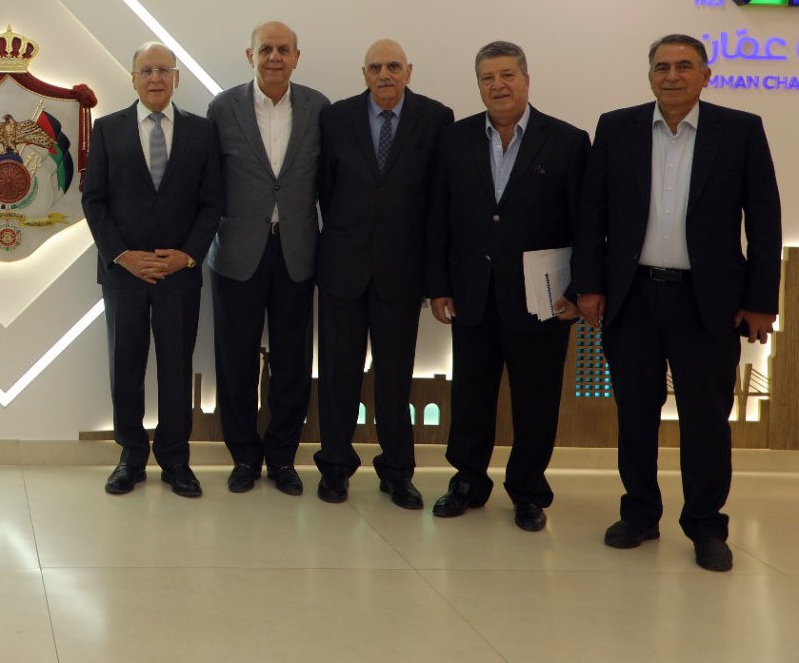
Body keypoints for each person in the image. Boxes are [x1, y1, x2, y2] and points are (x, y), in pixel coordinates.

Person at [574, 34, 780, 572]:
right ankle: (640, 513)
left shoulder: (740, 131)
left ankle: (706, 526)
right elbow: (592, 213)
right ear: (649, 76)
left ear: (705, 76)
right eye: (662, 66)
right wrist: (589, 285)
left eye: (684, 66)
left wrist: (762, 300)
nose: (672, 76)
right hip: (633, 297)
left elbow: (764, 219)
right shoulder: (616, 128)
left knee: (706, 420)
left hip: (707, 302)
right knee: (635, 413)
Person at [426, 41, 588, 532]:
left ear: (526, 79)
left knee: (536, 400)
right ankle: (467, 482)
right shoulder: (454, 140)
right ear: (478, 85)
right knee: (470, 395)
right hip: (472, 294)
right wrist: (438, 285)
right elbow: (438, 218)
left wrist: (580, 291)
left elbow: (585, 224)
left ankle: (529, 491)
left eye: (507, 75)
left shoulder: (567, 141)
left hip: (543, 299)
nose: (497, 85)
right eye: (487, 78)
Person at [314, 39, 452, 508]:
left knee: (396, 378)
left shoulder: (435, 118)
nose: (385, 74)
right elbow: (326, 190)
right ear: (364, 73)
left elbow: (437, 202)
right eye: (375, 67)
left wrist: (435, 279)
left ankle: (397, 471)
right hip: (343, 267)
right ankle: (335, 467)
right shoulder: (337, 117)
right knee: (338, 375)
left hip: (401, 270)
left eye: (393, 66)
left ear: (409, 70)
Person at [83, 42, 223, 497]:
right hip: (124, 273)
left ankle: (176, 459)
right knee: (125, 365)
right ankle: (130, 456)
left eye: (164, 70)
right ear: (133, 78)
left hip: (179, 273)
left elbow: (212, 203)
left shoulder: (202, 132)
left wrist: (188, 255)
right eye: (147, 71)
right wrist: (122, 255)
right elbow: (94, 201)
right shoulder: (107, 129)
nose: (156, 78)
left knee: (176, 367)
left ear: (177, 77)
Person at [206, 21, 328, 495]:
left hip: (296, 251)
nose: (274, 57)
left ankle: (282, 458)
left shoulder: (318, 107)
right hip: (237, 251)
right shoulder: (223, 108)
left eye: (283, 49)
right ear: (250, 56)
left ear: (297, 57)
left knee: (293, 362)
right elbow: (209, 182)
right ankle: (243, 456)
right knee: (235, 360)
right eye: (265, 49)